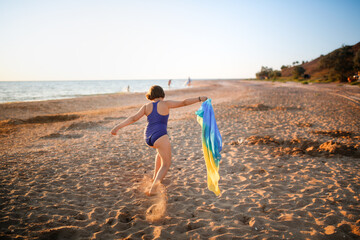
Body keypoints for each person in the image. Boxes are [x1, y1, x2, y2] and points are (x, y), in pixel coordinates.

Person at [111, 85, 207, 195]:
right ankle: (153, 190)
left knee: (159, 153)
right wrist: (199, 98)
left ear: (151, 95)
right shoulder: (165, 103)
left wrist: (117, 127)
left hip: (148, 137)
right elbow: (184, 102)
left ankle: (154, 179)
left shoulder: (146, 106)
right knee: (166, 164)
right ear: (162, 94)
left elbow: (133, 118)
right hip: (160, 135)